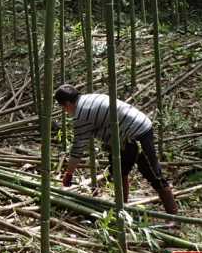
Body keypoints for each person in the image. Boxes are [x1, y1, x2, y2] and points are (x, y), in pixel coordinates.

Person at [54, 83, 179, 215]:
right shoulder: (88, 99)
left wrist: (69, 173)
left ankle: (173, 215)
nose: (65, 111)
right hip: (125, 136)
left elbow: (78, 147)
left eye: (63, 107)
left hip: (137, 132)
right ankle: (122, 208)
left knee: (152, 172)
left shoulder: (81, 114)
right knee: (118, 170)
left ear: (67, 103)